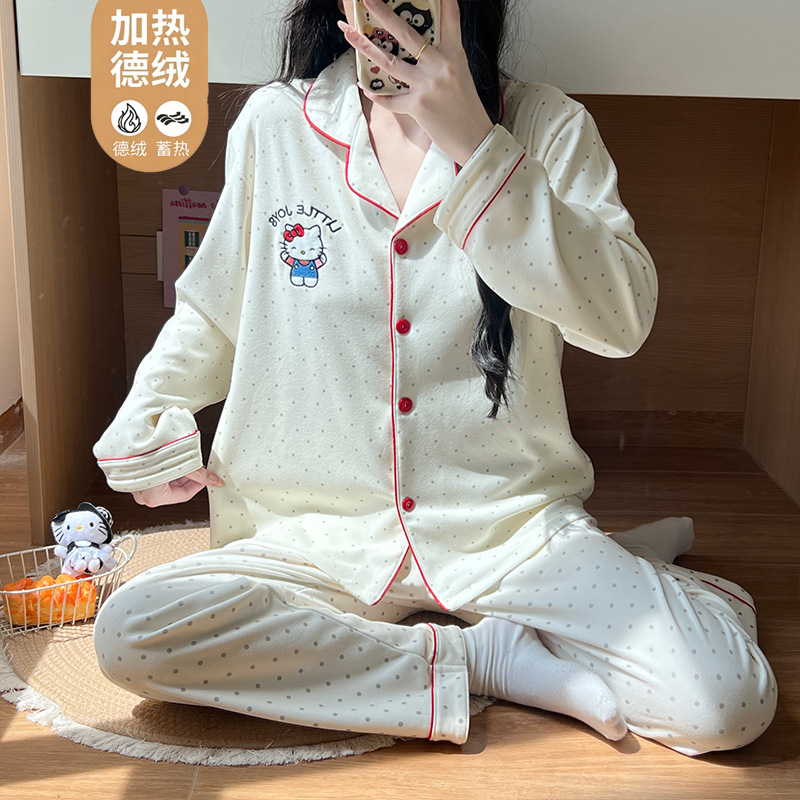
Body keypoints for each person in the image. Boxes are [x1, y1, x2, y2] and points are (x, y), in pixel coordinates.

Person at [91, 0, 777, 754]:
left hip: (508, 530)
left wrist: (477, 145)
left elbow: (621, 320)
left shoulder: (548, 126)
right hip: (316, 531)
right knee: (133, 633)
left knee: (724, 704)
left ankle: (657, 583)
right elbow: (217, 307)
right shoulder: (276, 124)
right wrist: (148, 414)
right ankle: (482, 658)